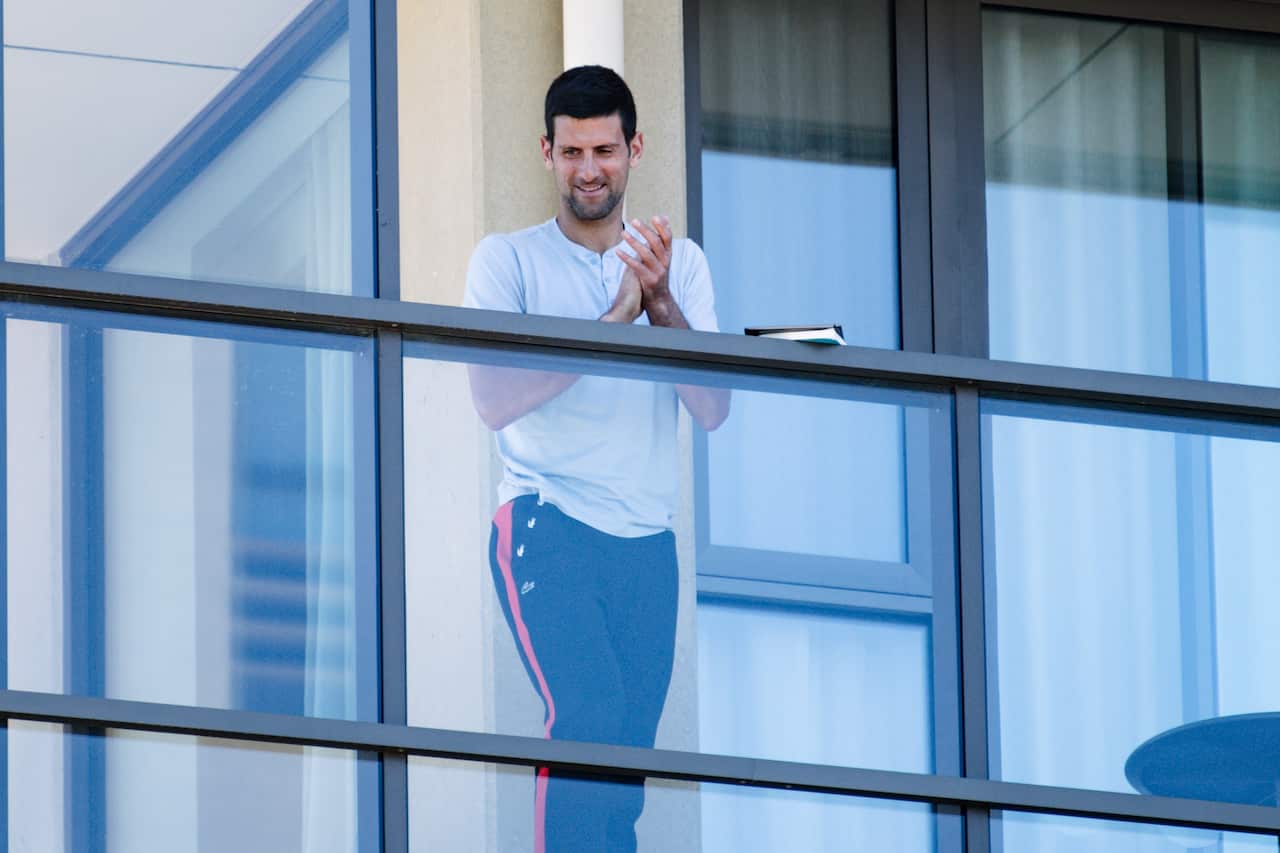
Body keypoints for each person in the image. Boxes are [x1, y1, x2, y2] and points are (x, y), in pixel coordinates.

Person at [463, 65, 729, 852]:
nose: (589, 169)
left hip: (647, 539)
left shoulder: (679, 265)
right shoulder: (507, 261)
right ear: (546, 152)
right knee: (584, 716)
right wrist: (615, 321)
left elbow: (713, 408)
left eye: (605, 151)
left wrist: (660, 305)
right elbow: (493, 400)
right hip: (545, 520)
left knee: (624, 764)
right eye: (573, 151)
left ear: (635, 149)